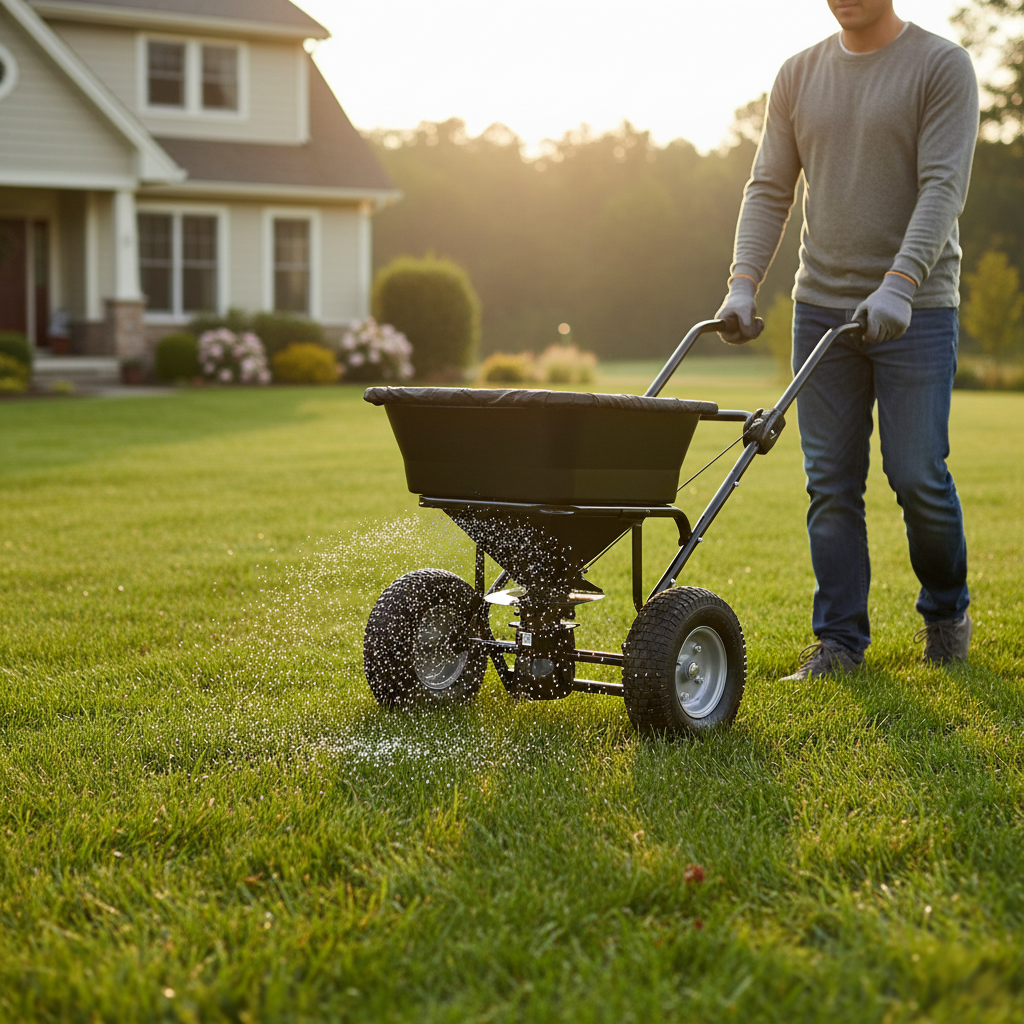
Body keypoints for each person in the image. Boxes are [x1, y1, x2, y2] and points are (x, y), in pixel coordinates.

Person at [715, 0, 979, 679]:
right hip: (822, 310)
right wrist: (743, 281)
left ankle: (946, 610)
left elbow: (943, 186)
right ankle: (839, 644)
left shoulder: (941, 66)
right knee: (830, 484)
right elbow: (770, 185)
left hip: (915, 308)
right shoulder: (798, 74)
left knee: (917, 474)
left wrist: (900, 281)